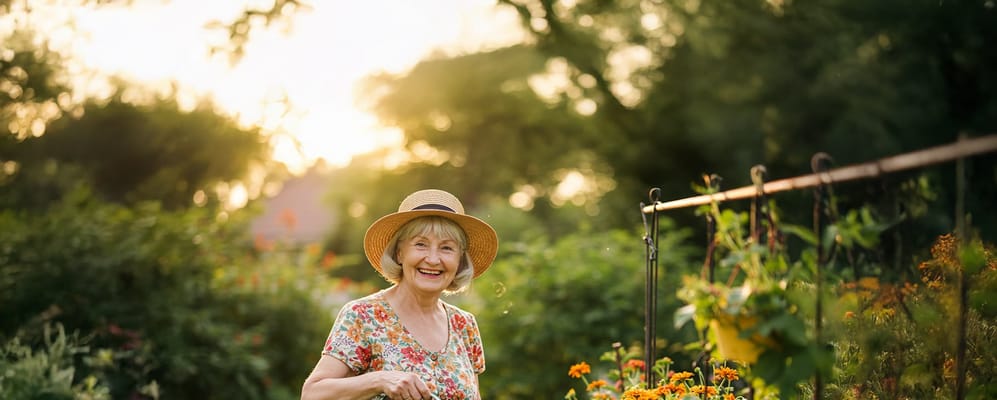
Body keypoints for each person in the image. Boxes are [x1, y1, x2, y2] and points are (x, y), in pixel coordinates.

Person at [301, 189, 498, 400]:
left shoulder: (464, 325)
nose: (433, 259)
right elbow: (312, 394)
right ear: (399, 252)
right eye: (420, 244)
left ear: (459, 259)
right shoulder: (363, 316)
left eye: (447, 248)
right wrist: (380, 380)